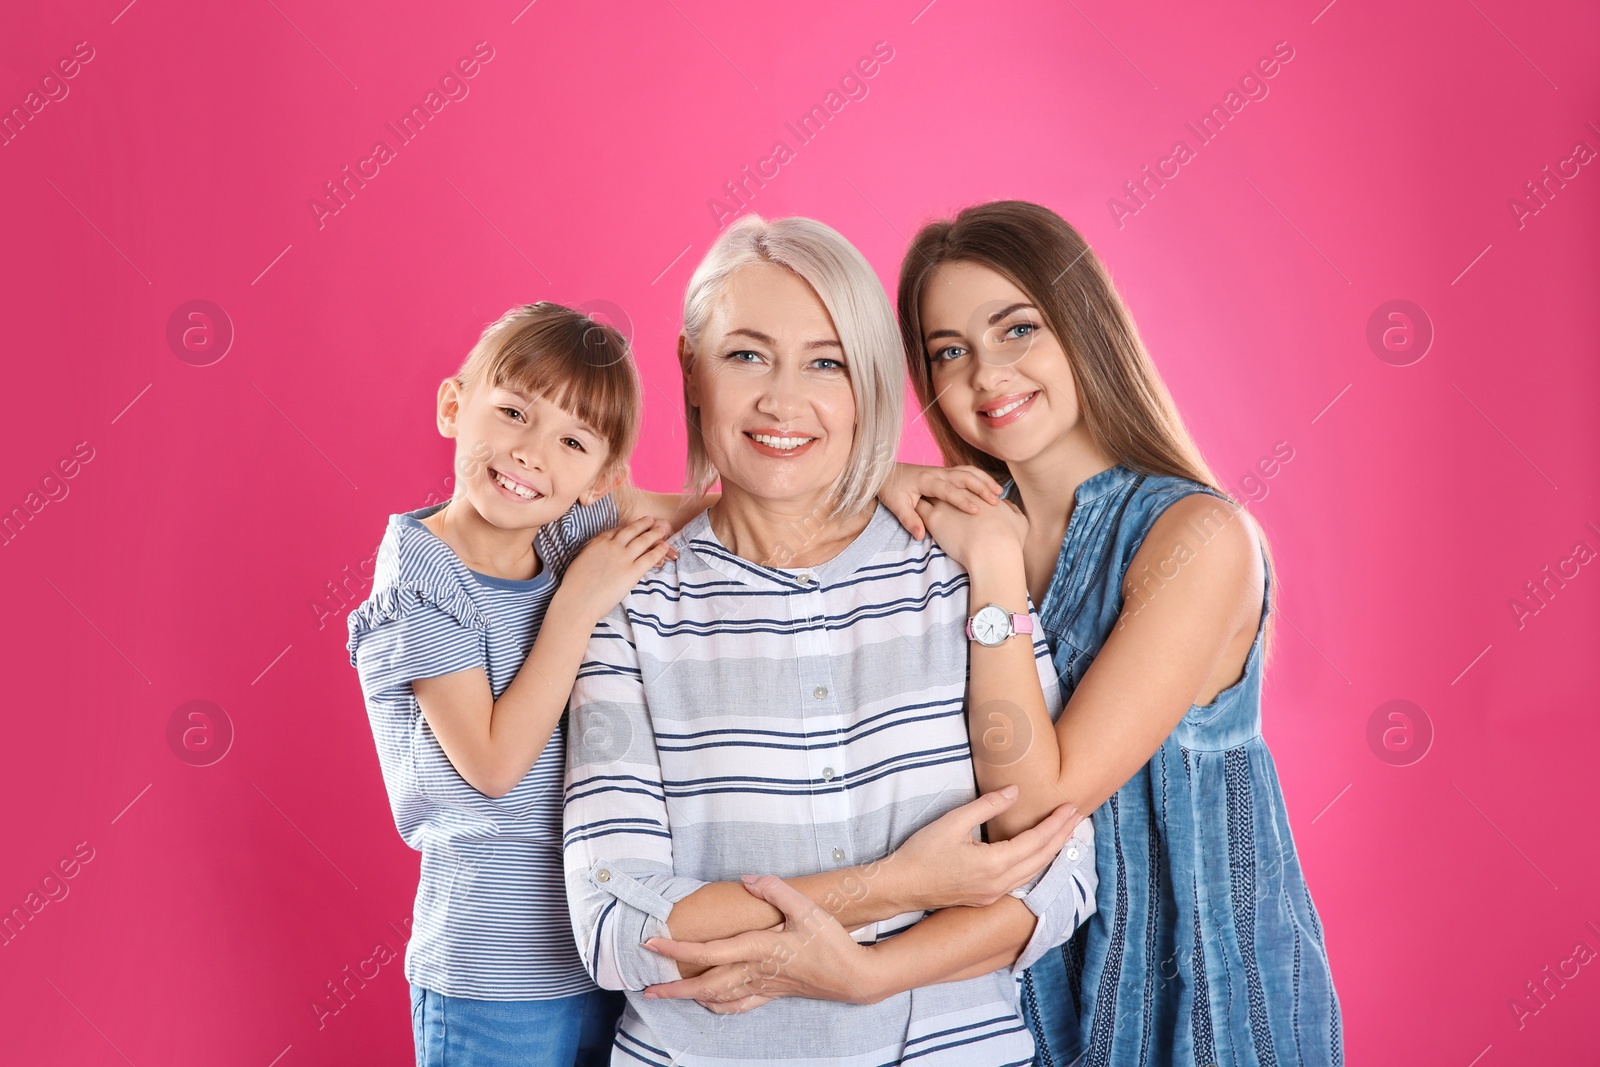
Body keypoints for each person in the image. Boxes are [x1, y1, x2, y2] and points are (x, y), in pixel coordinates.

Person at [562, 214, 1097, 1066]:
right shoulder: (625, 603)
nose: (782, 399)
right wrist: (902, 886)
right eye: (746, 355)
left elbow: (1057, 878)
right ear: (689, 369)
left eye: (827, 362)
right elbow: (616, 924)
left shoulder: (964, 576)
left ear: (869, 387)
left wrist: (860, 969)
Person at [896, 200, 1343, 1066]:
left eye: (1016, 329)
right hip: (1013, 1000)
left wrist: (990, 566)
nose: (987, 374)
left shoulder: (1196, 538)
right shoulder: (957, 522)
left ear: (1082, 324)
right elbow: (725, 516)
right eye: (951, 350)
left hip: (1202, 1003)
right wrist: (876, 474)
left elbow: (1033, 807)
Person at [346, 303, 673, 1066]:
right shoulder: (423, 571)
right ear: (454, 405)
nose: (531, 453)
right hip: (490, 973)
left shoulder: (560, 532)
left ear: (601, 480)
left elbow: (732, 513)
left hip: (600, 949)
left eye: (571, 441)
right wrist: (580, 604)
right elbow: (493, 766)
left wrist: (885, 482)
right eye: (514, 413)